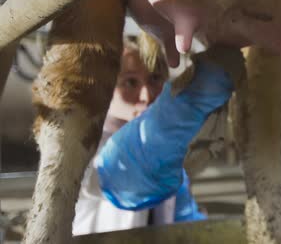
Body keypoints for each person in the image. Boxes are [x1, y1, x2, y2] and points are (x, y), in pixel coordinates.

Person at [72, 34, 209, 236]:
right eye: (130, 83)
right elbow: (123, 182)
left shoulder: (161, 139)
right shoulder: (84, 142)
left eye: (155, 79)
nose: (147, 95)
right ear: (104, 86)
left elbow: (182, 214)